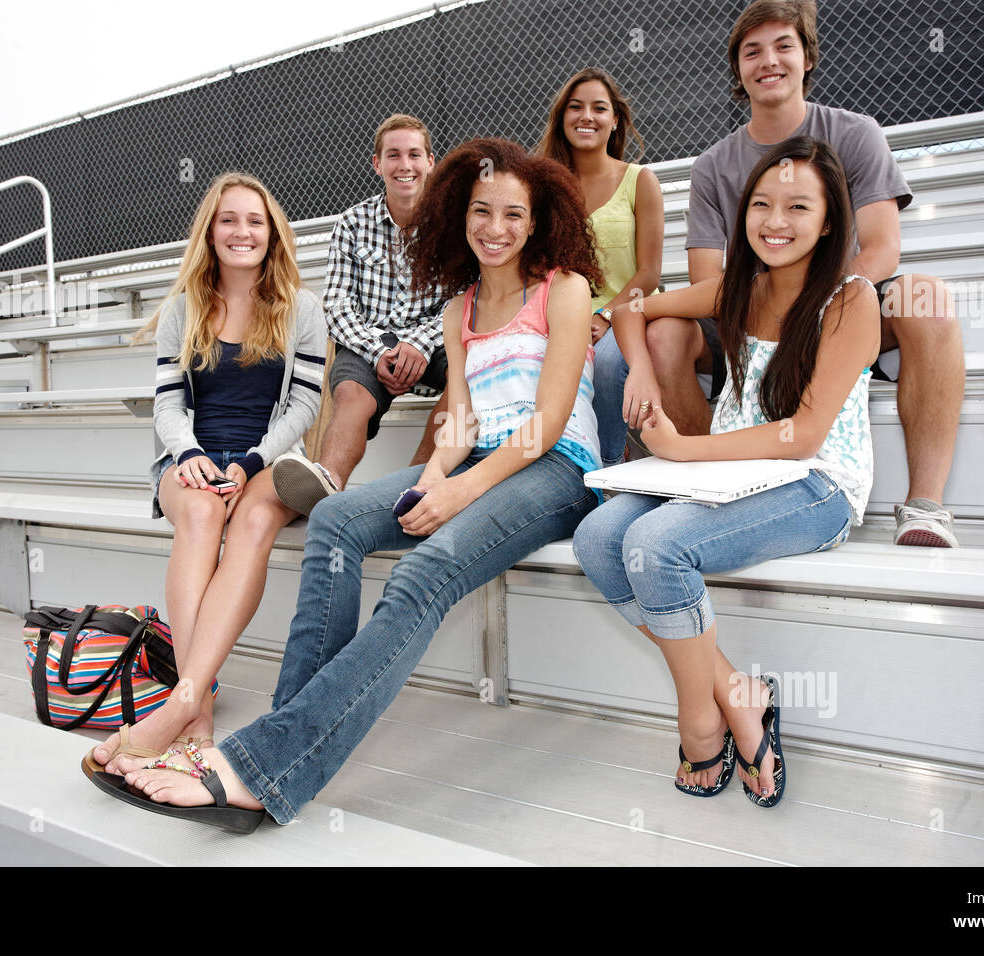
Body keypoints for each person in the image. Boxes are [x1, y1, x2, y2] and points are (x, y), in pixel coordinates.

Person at [93, 138, 603, 831]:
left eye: (514, 214)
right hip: (480, 458)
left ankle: (262, 764)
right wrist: (431, 477)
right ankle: (273, 742)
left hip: (557, 469)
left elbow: (544, 425)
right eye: (481, 210)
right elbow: (458, 416)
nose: (495, 227)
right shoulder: (461, 309)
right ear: (458, 215)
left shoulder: (565, 290)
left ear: (538, 221)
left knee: (423, 574)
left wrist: (457, 494)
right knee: (334, 521)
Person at [574, 136, 879, 809]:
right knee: (598, 538)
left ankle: (700, 720)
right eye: (762, 204)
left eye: (798, 206)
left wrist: (679, 448)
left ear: (829, 221)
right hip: (726, 477)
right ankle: (740, 693)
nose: (775, 220)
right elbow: (629, 308)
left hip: (814, 483)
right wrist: (645, 372)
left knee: (656, 546)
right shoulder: (739, 288)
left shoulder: (852, 300)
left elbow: (802, 435)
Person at [646, 0, 963, 546]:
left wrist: (816, 304)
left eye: (783, 46)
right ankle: (702, 482)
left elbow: (884, 248)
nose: (768, 61)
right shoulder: (712, 165)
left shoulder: (855, 132)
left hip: (839, 307)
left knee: (925, 297)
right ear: (738, 68)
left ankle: (925, 506)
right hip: (751, 310)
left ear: (807, 57)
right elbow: (708, 282)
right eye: (752, 51)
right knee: (665, 330)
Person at [83, 172, 326, 778]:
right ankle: (198, 701)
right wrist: (189, 454)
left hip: (266, 461)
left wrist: (248, 463)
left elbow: (304, 406)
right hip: (190, 455)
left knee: (251, 521)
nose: (242, 231)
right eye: (229, 220)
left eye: (254, 221)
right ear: (210, 232)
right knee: (199, 511)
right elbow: (167, 403)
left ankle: (181, 704)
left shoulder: (302, 308)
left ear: (272, 233)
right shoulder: (182, 310)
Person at [271, 114, 449, 516]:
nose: (405, 165)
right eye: (394, 155)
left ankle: (419, 485)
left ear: (431, 161)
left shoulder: (453, 225)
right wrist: (381, 350)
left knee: (469, 374)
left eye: (414, 154)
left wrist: (418, 345)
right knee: (351, 391)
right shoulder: (352, 223)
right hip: (370, 342)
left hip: (434, 343)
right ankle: (326, 482)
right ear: (377, 164)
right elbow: (335, 305)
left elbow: (463, 300)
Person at [536, 68, 664, 467]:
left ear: (615, 121)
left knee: (606, 363)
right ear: (562, 119)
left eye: (599, 108)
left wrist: (606, 315)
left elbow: (649, 273)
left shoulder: (640, 180)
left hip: (632, 310)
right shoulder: (546, 189)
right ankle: (549, 464)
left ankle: (607, 470)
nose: (586, 116)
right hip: (566, 314)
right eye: (575, 107)